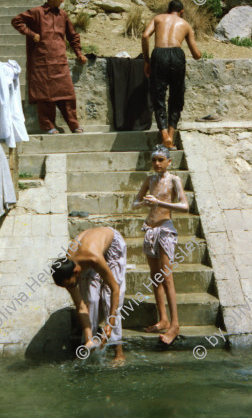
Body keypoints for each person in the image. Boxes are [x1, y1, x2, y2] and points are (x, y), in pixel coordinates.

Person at [132, 144, 189, 346]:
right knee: (155, 277)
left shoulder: (174, 180)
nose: (157, 163)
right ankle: (163, 319)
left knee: (167, 277)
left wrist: (159, 202)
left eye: (160, 160)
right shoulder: (150, 179)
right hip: (150, 229)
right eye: (154, 160)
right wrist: (145, 204)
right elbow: (134, 203)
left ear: (169, 162)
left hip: (165, 228)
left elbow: (184, 206)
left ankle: (175, 324)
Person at [11, 0, 87, 134]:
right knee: (45, 96)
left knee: (68, 94)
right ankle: (48, 126)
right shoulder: (36, 13)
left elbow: (72, 35)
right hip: (41, 62)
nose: (63, 0)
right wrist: (31, 34)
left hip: (60, 61)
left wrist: (78, 52)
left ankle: (74, 125)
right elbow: (16, 21)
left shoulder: (63, 15)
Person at [51, 226, 126, 363]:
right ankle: (89, 344)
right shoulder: (66, 271)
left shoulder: (93, 258)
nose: (70, 288)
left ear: (77, 271)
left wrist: (109, 325)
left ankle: (118, 351)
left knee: (109, 297)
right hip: (89, 248)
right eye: (66, 286)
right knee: (90, 299)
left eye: (70, 284)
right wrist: (88, 336)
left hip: (111, 244)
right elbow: (81, 306)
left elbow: (115, 289)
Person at [142, 0, 201, 150]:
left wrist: (147, 61)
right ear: (181, 12)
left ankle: (164, 137)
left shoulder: (158, 18)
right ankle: (170, 137)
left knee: (158, 95)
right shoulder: (185, 24)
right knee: (176, 96)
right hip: (177, 55)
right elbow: (196, 55)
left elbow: (145, 36)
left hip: (159, 54)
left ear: (168, 10)